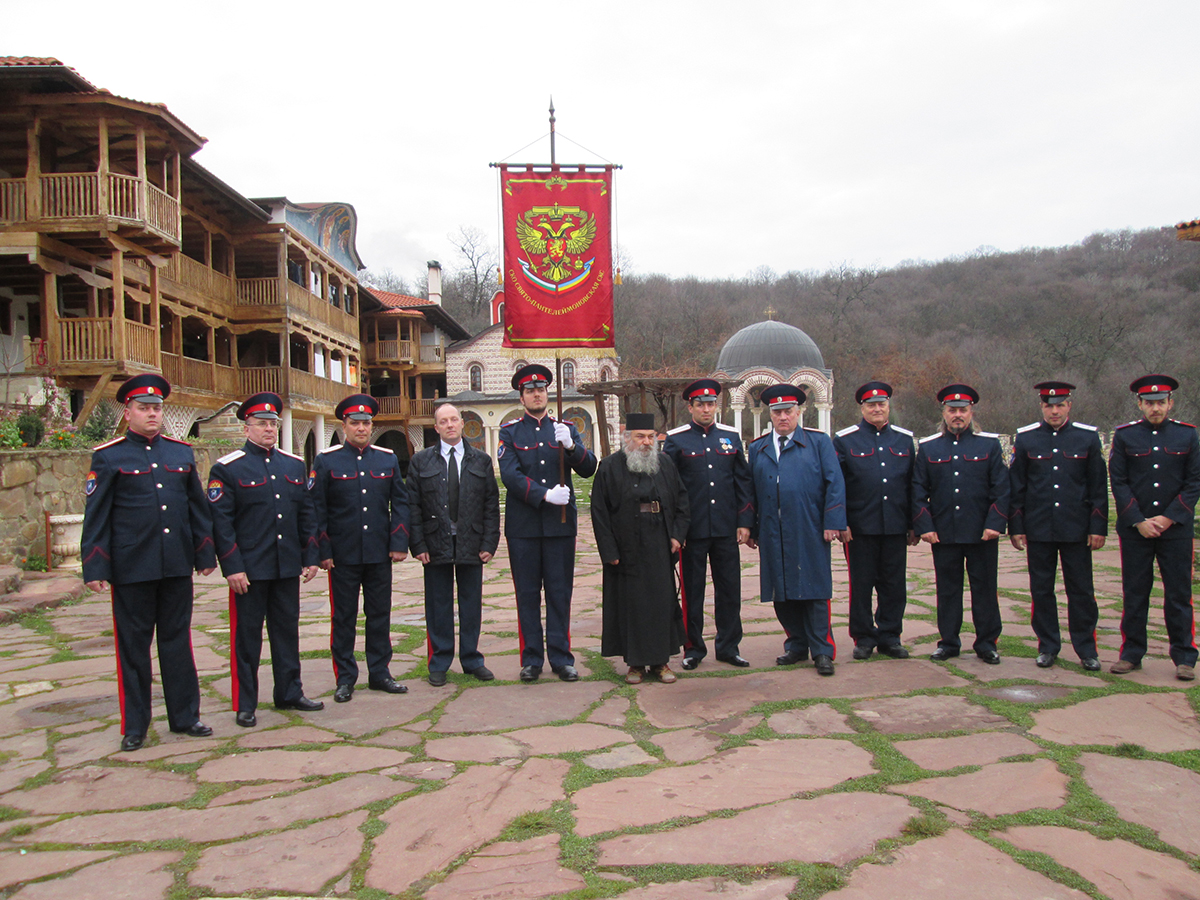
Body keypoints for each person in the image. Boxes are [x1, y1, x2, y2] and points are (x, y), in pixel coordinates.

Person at [81, 374, 216, 752]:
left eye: (156, 408)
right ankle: (135, 726)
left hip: (175, 565)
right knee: (134, 649)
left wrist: (204, 552)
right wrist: (95, 566)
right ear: (129, 412)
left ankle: (186, 716)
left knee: (177, 643)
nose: (152, 414)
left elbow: (197, 509)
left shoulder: (179, 453)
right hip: (132, 567)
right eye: (144, 408)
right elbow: (97, 517)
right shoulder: (109, 457)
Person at [206, 392, 323, 727]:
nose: (269, 429)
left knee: (286, 632)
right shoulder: (228, 469)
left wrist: (310, 555)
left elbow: (306, 515)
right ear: (247, 428)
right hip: (250, 570)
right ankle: (246, 703)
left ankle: (289, 691)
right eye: (261, 424)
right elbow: (222, 524)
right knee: (247, 638)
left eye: (273, 424)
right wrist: (233, 566)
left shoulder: (293, 465)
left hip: (285, 565)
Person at [498, 363, 597, 682]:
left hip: (559, 527)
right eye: (530, 390)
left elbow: (589, 468)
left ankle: (561, 657)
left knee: (559, 592)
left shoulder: (565, 427)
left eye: (541, 389)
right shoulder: (510, 431)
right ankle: (531, 660)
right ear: (522, 397)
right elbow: (510, 476)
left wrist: (571, 446)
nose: (537, 394)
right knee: (527, 594)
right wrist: (543, 495)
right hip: (524, 528)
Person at [310, 394, 410, 702]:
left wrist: (398, 542)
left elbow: (400, 503)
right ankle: (346, 677)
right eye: (355, 423)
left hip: (379, 552)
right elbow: (317, 510)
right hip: (343, 555)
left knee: (379, 613)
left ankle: (380, 672)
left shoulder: (387, 458)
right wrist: (323, 552)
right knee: (344, 617)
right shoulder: (327, 460)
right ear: (345, 425)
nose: (362, 428)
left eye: (366, 423)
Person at [747, 384, 847, 676]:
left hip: (809, 526)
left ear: (799, 412)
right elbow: (751, 491)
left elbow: (835, 483)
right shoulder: (759, 447)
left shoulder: (817, 443)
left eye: (788, 411)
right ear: (770, 414)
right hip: (771, 529)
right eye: (777, 412)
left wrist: (833, 522)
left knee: (814, 589)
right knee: (781, 589)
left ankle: (822, 650)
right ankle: (796, 643)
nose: (783, 417)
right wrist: (752, 528)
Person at [1009, 381, 1107, 671]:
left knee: (1081, 591)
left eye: (1060, 405)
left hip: (1076, 527)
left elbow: (1097, 486)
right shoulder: (1026, 439)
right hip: (1039, 527)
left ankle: (1086, 649)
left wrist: (1098, 526)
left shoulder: (1087, 438)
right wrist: (1016, 525)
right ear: (1041, 406)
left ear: (1069, 406)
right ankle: (1048, 646)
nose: (1054, 410)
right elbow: (1018, 486)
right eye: (1049, 405)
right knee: (1041, 590)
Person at [1109, 375, 1200, 680]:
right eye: (1149, 403)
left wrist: (1169, 517)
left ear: (1170, 403)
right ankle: (1132, 653)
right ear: (1140, 404)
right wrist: (1138, 520)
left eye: (1161, 402)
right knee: (1135, 593)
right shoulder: (1125, 436)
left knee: (1178, 594)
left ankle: (1184, 656)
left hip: (1175, 530)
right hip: (1136, 529)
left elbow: (1194, 482)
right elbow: (1119, 482)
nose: (1155, 408)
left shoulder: (1187, 436)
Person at [912, 384, 1010, 664]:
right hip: (945, 533)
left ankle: (987, 642)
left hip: (982, 533)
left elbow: (1001, 489)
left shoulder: (988, 445)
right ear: (943, 412)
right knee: (948, 590)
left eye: (963, 410)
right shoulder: (930, 447)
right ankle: (949, 642)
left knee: (985, 590)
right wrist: (925, 526)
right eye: (952, 410)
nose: (957, 415)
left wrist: (995, 524)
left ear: (971, 412)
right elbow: (918, 490)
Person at [663, 379, 754, 670]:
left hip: (726, 527)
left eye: (711, 403)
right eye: (700, 404)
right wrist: (677, 530)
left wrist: (744, 521)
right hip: (693, 530)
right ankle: (693, 648)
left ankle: (729, 646)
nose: (706, 408)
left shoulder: (730, 436)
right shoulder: (677, 440)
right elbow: (670, 488)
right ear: (690, 407)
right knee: (693, 591)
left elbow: (743, 482)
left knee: (730, 589)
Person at [593, 413, 690, 684]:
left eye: (650, 436)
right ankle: (634, 664)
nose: (646, 442)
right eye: (640, 437)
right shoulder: (610, 466)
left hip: (659, 540)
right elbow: (599, 511)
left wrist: (677, 536)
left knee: (661, 602)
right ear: (627, 439)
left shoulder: (666, 464)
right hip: (625, 545)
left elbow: (682, 501)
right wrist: (609, 550)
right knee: (631, 604)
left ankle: (661, 662)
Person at [407, 403, 500, 686]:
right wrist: (418, 543)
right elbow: (413, 507)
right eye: (443, 421)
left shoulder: (481, 460)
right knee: (438, 605)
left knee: (471, 604)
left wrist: (489, 542)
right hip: (435, 542)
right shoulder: (421, 461)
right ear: (436, 428)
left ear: (462, 423)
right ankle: (439, 662)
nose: (449, 425)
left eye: (453, 420)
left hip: (472, 541)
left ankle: (471, 659)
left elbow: (491, 505)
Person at [833, 381, 917, 660]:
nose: (877, 409)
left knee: (894, 585)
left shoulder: (904, 440)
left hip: (894, 523)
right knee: (861, 584)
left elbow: (912, 485)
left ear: (888, 406)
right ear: (862, 408)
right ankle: (864, 636)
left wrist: (914, 523)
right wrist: (840, 521)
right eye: (871, 405)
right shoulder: (845, 440)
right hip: (860, 527)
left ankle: (890, 636)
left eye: (881, 404)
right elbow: (838, 485)